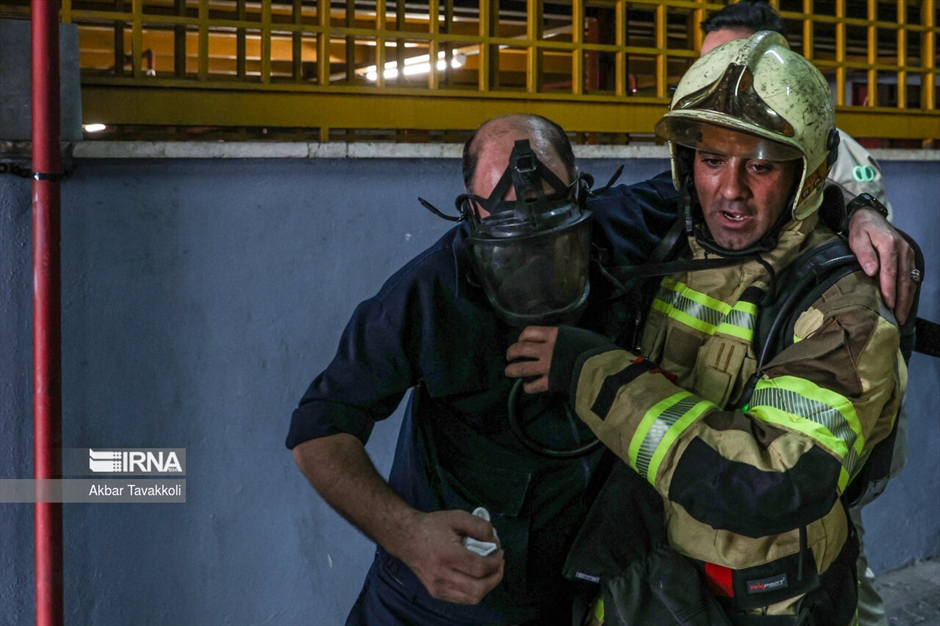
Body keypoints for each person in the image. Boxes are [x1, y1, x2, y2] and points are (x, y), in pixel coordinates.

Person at [287, 115, 913, 624]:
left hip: (571, 593)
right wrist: (407, 535)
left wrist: (859, 211)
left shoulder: (619, 229)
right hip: (429, 602)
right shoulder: (427, 291)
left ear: (583, 198)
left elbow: (756, 184)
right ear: (470, 215)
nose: (530, 265)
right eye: (507, 237)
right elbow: (318, 430)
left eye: (551, 237)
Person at [507, 32, 906, 625]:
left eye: (762, 167)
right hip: (654, 579)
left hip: (765, 606)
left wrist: (596, 375)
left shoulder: (842, 306)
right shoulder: (674, 244)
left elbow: (772, 485)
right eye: (712, 160)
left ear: (807, 176)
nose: (730, 191)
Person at [701, 5, 909, 624]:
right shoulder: (705, 146)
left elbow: (859, 203)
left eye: (736, 63)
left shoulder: (828, 147)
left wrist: (861, 212)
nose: (722, 80)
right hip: (732, 434)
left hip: (819, 425)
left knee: (832, 564)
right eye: (709, 64)